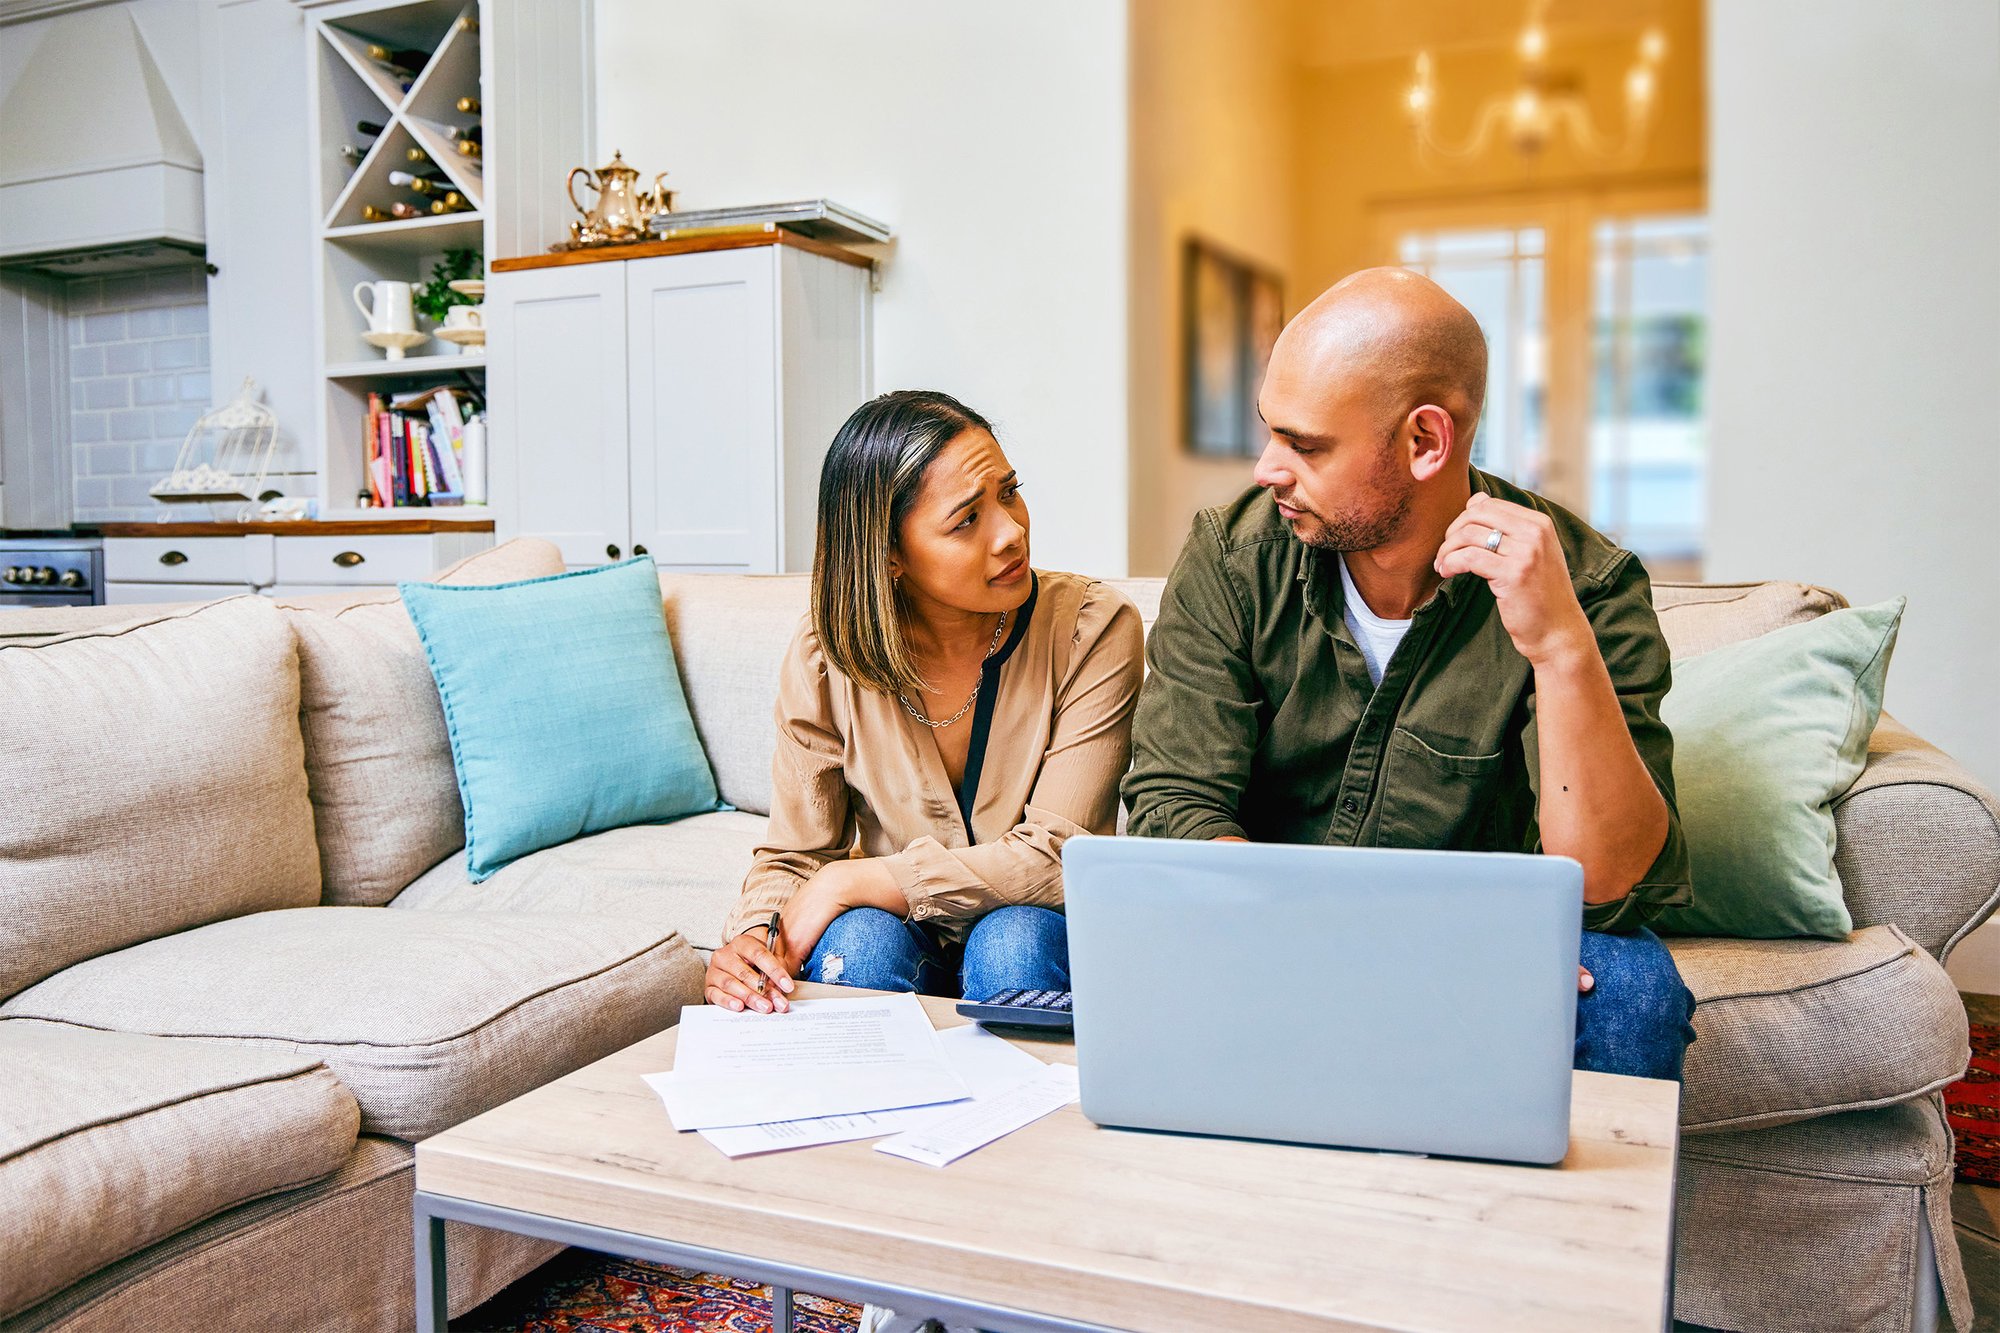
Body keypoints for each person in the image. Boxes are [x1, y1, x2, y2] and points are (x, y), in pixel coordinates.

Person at [1123, 267, 1697, 1081]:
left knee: (1633, 987)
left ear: (1426, 441)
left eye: (1306, 444)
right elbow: (1174, 806)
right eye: (1270, 432)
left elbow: (1606, 889)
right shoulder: (1232, 555)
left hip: (1480, 943)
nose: (1267, 468)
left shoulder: (1589, 588)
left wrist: (1561, 649)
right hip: (1269, 927)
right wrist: (1353, 941)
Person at [704, 389, 1145, 1013]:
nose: (1012, 532)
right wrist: (757, 941)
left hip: (1035, 920)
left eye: (1010, 491)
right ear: (888, 555)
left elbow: (1057, 860)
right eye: (967, 520)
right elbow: (796, 854)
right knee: (857, 944)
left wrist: (858, 877)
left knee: (1011, 941)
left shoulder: (1090, 630)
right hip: (894, 933)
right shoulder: (823, 657)